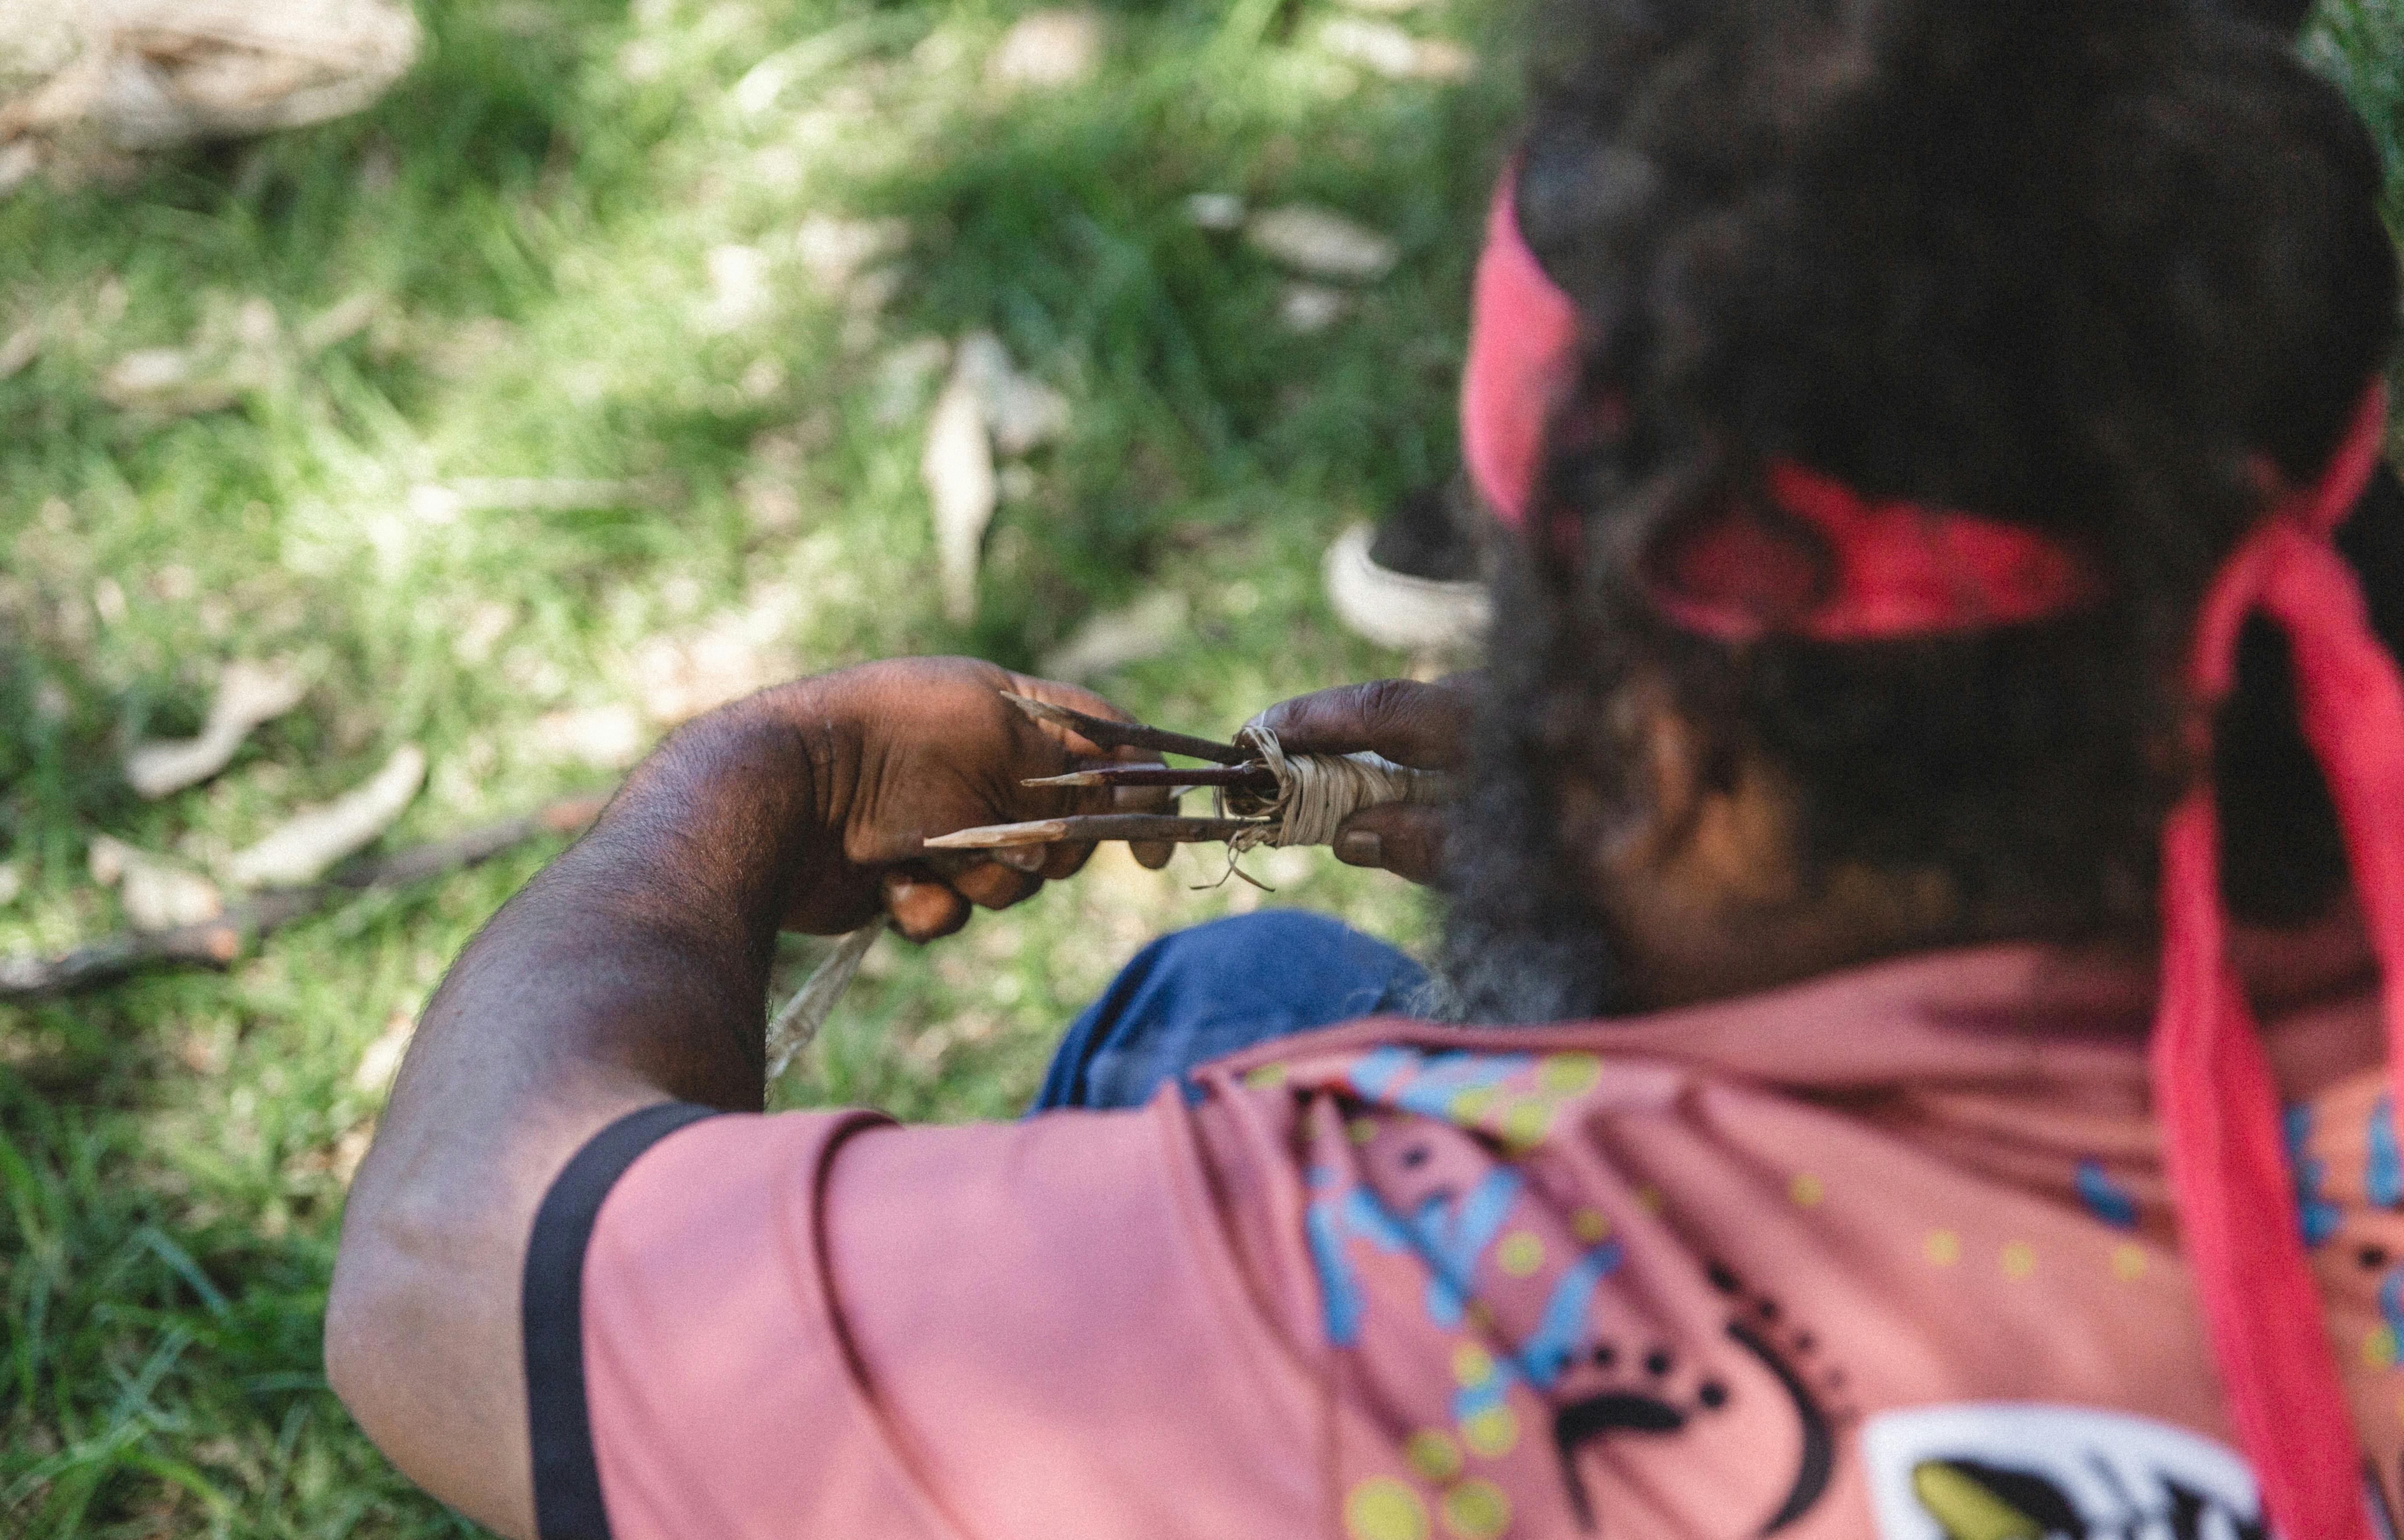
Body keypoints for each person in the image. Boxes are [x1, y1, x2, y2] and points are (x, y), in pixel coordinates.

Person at [327, 1, 2404, 1535]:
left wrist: (749, 780)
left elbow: (447, 1272)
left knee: (1207, 1037)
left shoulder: (1414, 1299)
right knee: (1214, 995)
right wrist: (1605, 861)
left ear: (1680, 750)